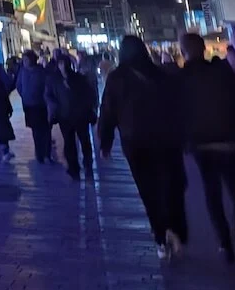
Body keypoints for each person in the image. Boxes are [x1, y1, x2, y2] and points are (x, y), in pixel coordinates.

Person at [99, 34, 189, 260]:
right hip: (166, 138)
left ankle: (161, 237)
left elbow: (107, 111)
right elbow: (178, 107)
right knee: (171, 184)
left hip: (135, 141)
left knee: (148, 190)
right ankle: (175, 229)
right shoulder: (161, 74)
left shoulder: (116, 78)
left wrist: (105, 141)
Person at [178, 31, 235, 262]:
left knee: (212, 194)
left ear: (183, 52)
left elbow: (176, 114)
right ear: (204, 48)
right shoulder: (223, 72)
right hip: (231, 141)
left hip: (202, 146)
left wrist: (183, 141)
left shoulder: (180, 79)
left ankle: (225, 244)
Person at [46, 50, 99, 178]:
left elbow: (88, 95)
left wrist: (89, 109)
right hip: (65, 116)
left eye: (64, 63)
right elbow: (49, 96)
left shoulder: (79, 79)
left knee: (84, 141)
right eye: (60, 63)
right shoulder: (54, 80)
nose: (62, 66)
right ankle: (73, 167)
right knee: (69, 143)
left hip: (80, 116)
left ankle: (87, 163)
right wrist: (54, 110)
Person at [16, 49, 53, 163]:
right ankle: (40, 154)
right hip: (29, 105)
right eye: (24, 60)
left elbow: (47, 87)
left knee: (45, 130)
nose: (25, 62)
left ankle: (46, 154)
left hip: (41, 105)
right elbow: (19, 86)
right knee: (36, 131)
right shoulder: (22, 72)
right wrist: (25, 96)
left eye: (27, 59)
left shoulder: (41, 71)